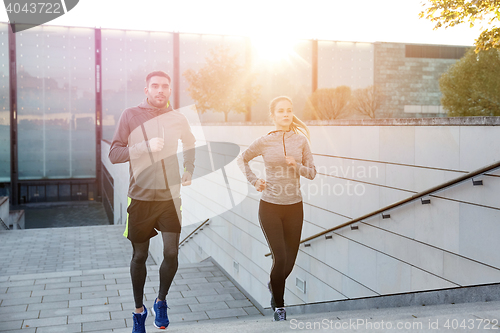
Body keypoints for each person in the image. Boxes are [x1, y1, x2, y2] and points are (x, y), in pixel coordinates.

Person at [109, 70, 195, 332]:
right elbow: (114, 153)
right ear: (146, 90)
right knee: (140, 255)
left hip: (170, 197)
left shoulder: (178, 118)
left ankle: (161, 301)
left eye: (165, 87)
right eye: (155, 86)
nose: (160, 90)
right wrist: (144, 146)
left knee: (171, 252)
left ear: (170, 91)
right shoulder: (130, 115)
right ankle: (138, 311)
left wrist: (189, 168)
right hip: (141, 197)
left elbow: (190, 142)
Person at [238, 96, 316, 321]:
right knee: (280, 258)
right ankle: (280, 308)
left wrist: (297, 165)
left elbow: (312, 172)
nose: (285, 114)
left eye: (289, 110)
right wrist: (255, 181)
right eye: (281, 111)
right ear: (272, 115)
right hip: (270, 206)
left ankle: (274, 285)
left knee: (289, 262)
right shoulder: (264, 141)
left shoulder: (301, 141)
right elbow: (242, 159)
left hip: (294, 207)